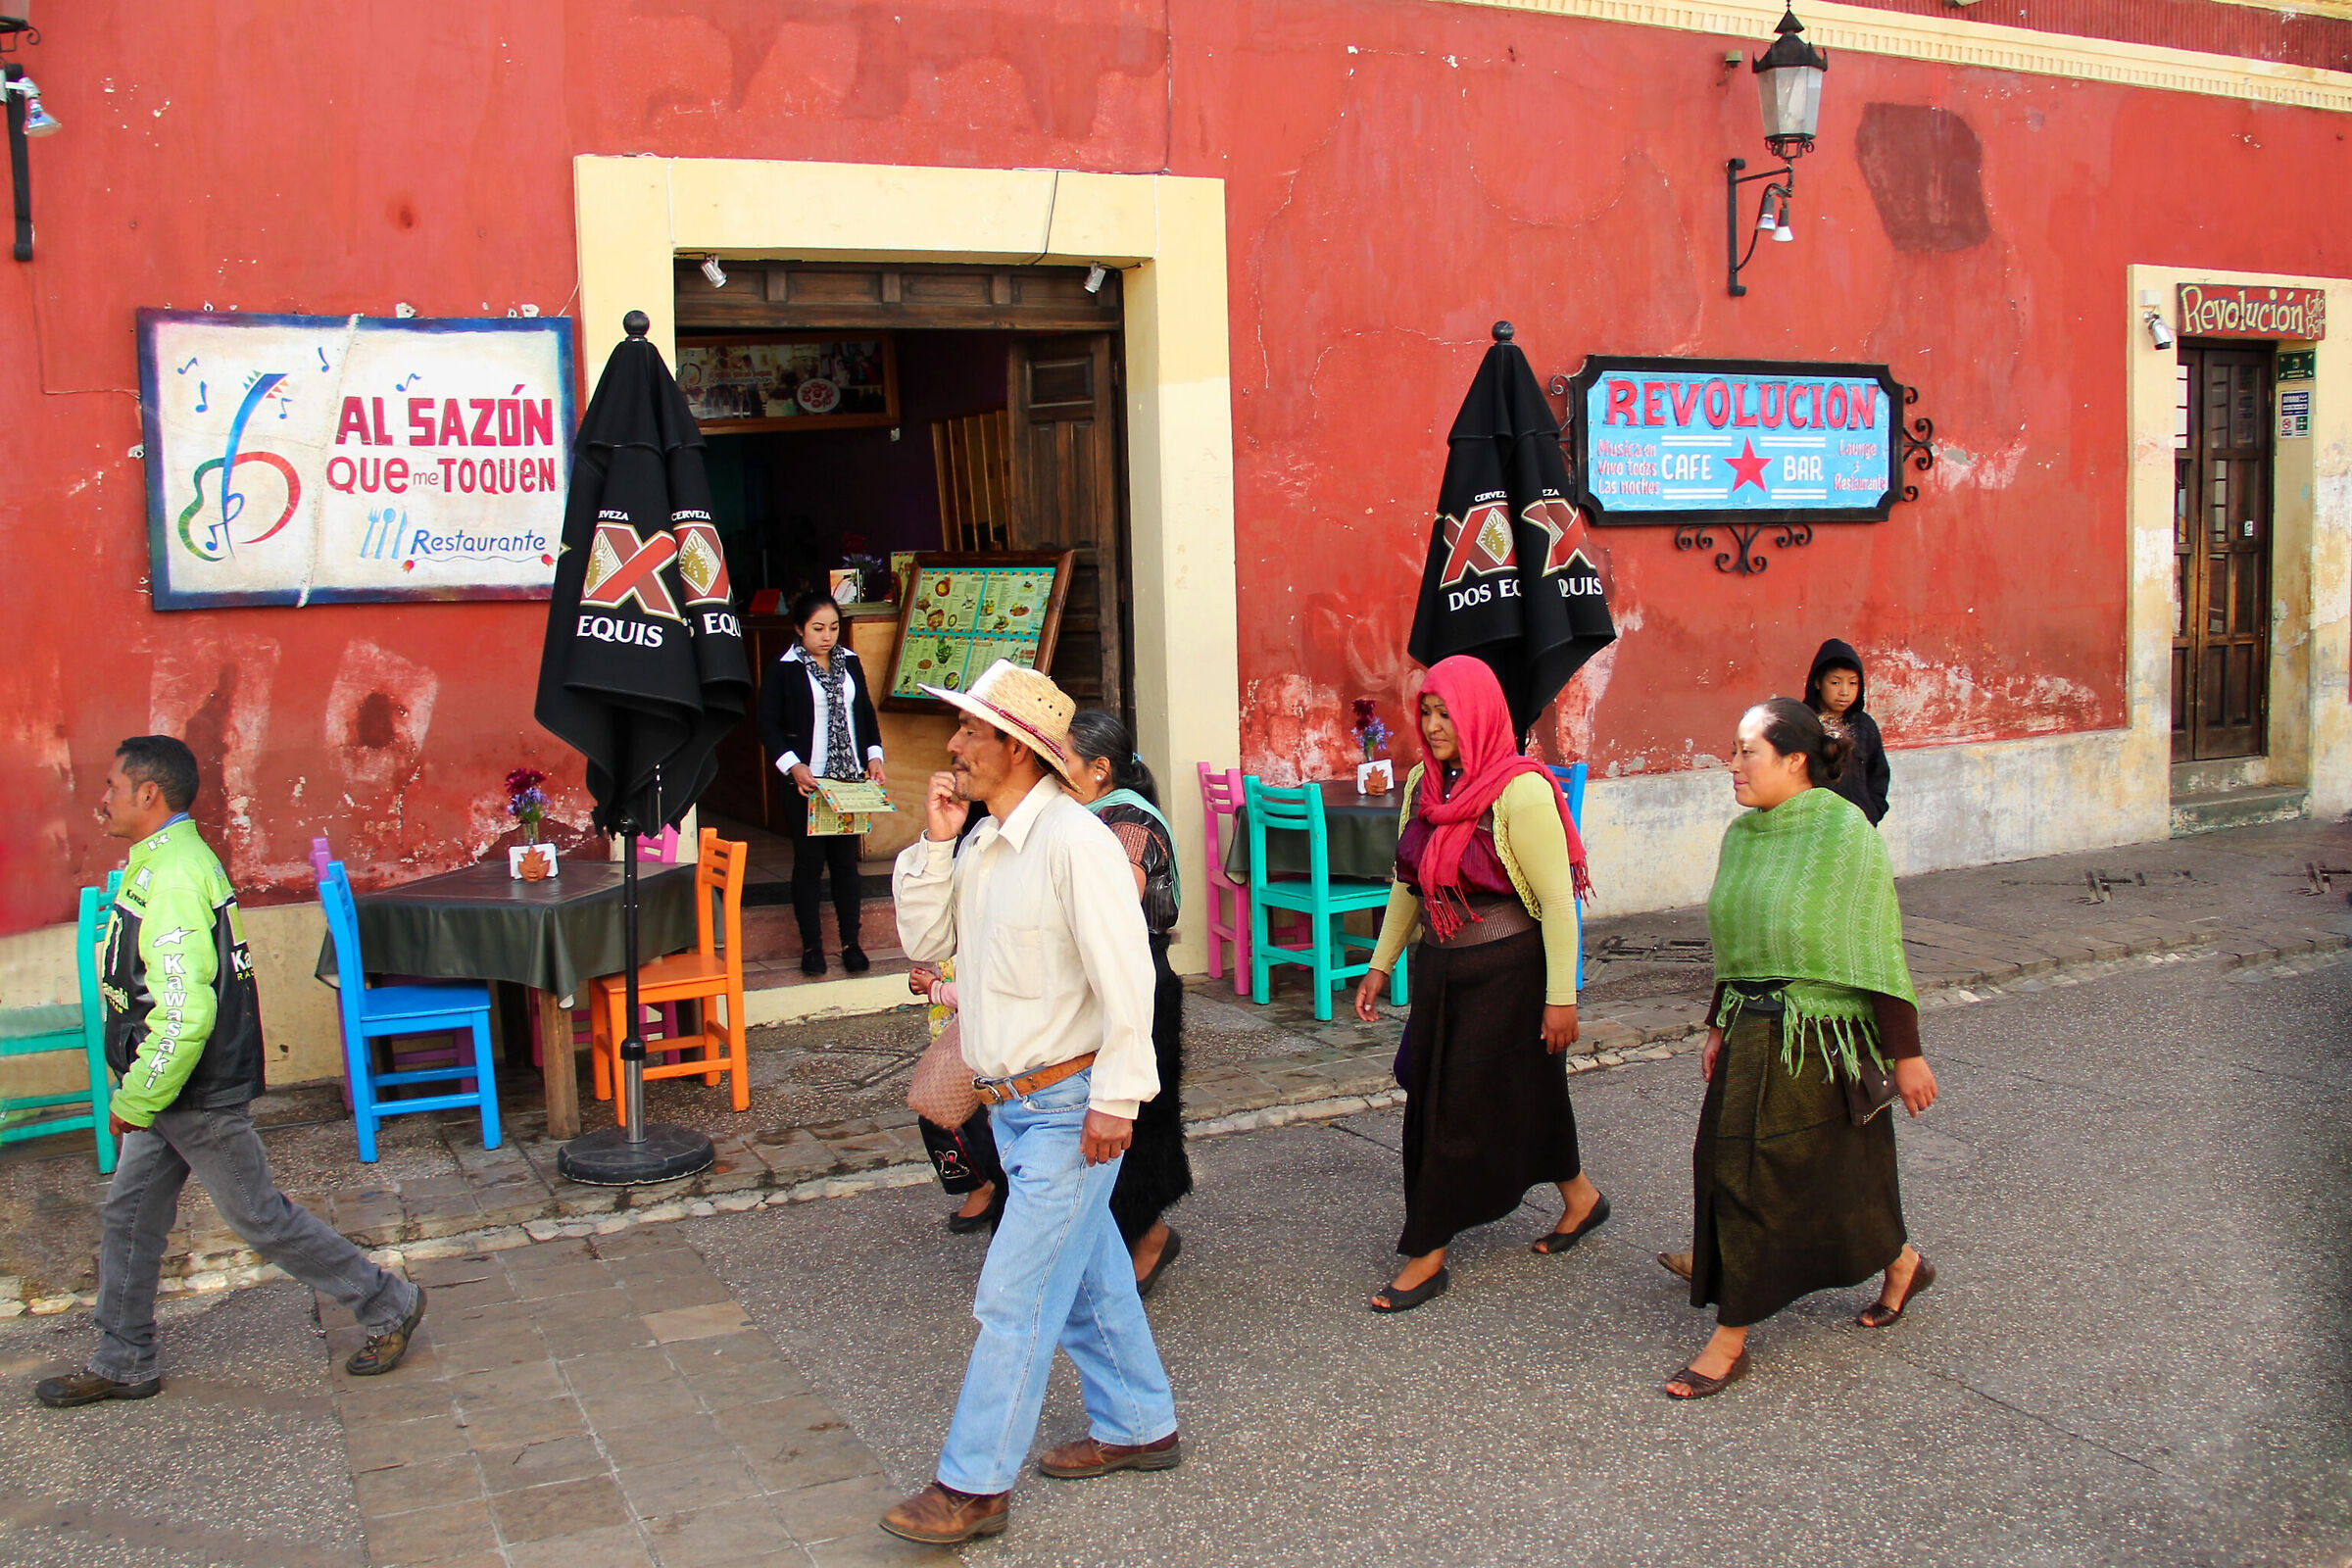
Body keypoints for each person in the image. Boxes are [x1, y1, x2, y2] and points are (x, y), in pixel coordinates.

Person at [35, 737, 427, 1410]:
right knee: (131, 1217)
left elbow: (184, 1011)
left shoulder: (175, 874)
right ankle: (124, 1358)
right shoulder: (164, 863)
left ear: (147, 794)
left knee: (260, 1218)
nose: (102, 800)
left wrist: (136, 1097)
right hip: (172, 1087)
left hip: (192, 1089)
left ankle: (387, 1302)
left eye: (111, 787)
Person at [882, 662, 1177, 1546]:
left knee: (1016, 1296)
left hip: (1070, 1107)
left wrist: (1117, 1102)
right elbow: (930, 944)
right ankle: (1139, 1426)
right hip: (1015, 1110)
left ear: (1016, 747)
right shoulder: (982, 842)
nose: (955, 745)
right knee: (1084, 1277)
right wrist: (935, 843)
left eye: (971, 731)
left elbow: (1132, 982)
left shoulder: (1076, 843)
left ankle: (973, 1486)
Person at [1666, 698, 1939, 1400]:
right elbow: (1736, 941)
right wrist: (1720, 1025)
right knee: (1768, 1168)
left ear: (1794, 760)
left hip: (1820, 1035)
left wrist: (1905, 1052)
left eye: (1746, 752)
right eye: (1733, 750)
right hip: (1752, 1028)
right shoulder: (1744, 835)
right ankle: (1901, 1259)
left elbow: (1874, 946)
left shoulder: (1845, 834)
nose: (1732, 765)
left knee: (1767, 1175)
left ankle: (1732, 1336)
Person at [1350, 656, 1606, 1314]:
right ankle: (1581, 1197)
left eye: (1446, 714)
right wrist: (1381, 964)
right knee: (1517, 1095)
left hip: (1510, 977)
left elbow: (1555, 903)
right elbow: (1411, 885)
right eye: (1427, 713)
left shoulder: (1520, 791)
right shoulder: (1422, 787)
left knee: (1453, 1113)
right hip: (1440, 972)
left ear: (1480, 715)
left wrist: (1561, 999)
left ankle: (1428, 1250)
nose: (1434, 726)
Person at [910, 710, 1197, 1298]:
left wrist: (1115, 1093)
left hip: (1130, 994)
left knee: (1134, 1131)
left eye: (1059, 757)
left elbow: (1115, 930)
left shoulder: (1105, 828)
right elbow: (938, 935)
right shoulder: (1013, 829)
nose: (1049, 768)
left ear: (1099, 770)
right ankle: (1111, 1277)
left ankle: (1143, 1235)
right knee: (1084, 1267)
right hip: (1063, 1027)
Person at [757, 591, 888, 975]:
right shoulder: (784, 668)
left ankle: (851, 942)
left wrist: (874, 756)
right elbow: (767, 724)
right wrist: (792, 766)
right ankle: (811, 946)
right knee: (809, 864)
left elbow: (863, 714)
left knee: (846, 863)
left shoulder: (850, 661)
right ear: (799, 629)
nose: (827, 636)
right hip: (807, 780)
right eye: (817, 628)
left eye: (832, 627)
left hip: (847, 782)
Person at [1805, 638, 1890, 825]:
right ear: (1818, 682)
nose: (1845, 691)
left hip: (1858, 827)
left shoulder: (1864, 726)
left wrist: (1872, 811)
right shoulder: (1802, 723)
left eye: (1853, 683)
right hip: (1814, 826)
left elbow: (1879, 774)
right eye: (1835, 683)